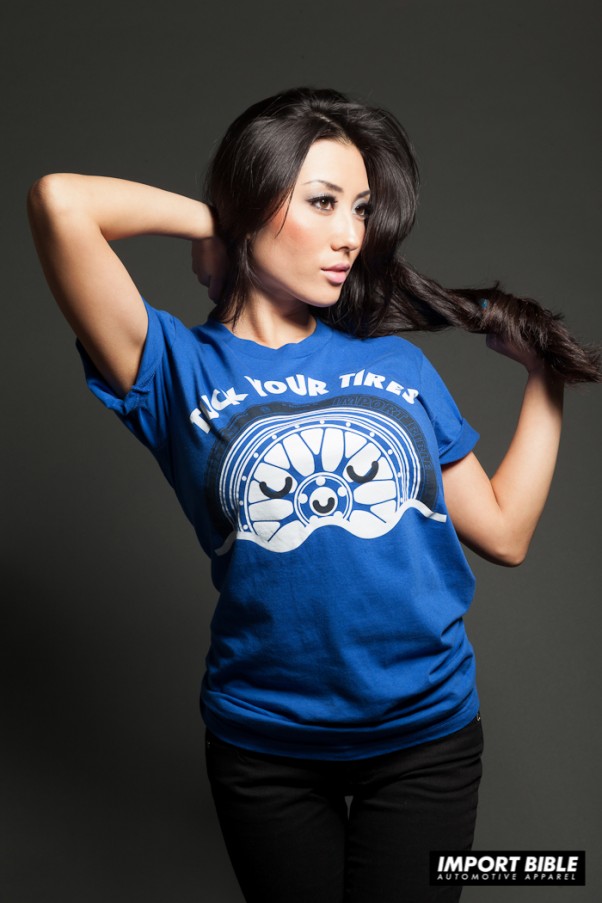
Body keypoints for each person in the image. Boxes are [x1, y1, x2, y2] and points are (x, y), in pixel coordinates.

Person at [27, 87, 600, 903]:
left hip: (426, 737)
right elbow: (60, 202)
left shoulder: (397, 366)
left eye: (360, 209)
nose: (350, 234)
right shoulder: (174, 367)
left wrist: (545, 378)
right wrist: (219, 225)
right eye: (323, 202)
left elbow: (505, 533)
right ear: (256, 201)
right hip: (266, 748)